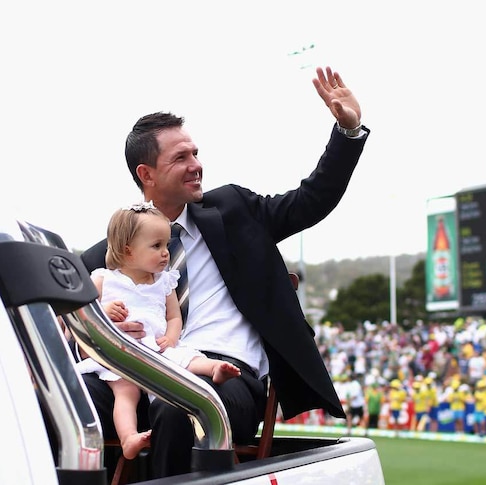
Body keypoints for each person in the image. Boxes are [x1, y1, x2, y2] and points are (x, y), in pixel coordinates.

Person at [79, 66, 367, 478]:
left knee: (185, 407)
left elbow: (311, 200)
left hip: (225, 376)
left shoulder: (234, 210)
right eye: (181, 157)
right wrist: (105, 333)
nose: (197, 165)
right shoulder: (110, 254)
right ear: (147, 175)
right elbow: (69, 328)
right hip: (137, 375)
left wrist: (348, 133)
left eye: (195, 153)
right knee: (61, 397)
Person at [76, 204, 241, 460]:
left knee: (187, 361)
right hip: (121, 354)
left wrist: (171, 337)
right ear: (128, 251)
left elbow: (174, 316)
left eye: (165, 245)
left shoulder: (164, 282)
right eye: (157, 246)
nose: (166, 253)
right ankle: (129, 437)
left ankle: (213, 369)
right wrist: (104, 310)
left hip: (157, 349)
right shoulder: (104, 279)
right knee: (125, 392)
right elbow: (83, 313)